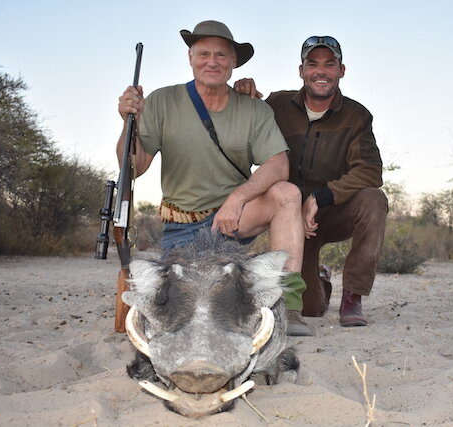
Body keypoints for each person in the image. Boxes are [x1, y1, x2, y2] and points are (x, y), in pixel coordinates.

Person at [116, 20, 312, 336]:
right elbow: (135, 166)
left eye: (221, 55)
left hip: (232, 219)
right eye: (203, 53)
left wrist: (236, 199)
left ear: (234, 62)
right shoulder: (162, 101)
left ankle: (288, 306)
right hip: (183, 225)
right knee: (188, 301)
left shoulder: (253, 108)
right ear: (190, 58)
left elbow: (278, 165)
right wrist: (129, 123)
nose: (212, 61)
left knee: (287, 193)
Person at [235, 36, 388, 326]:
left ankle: (353, 296)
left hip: (333, 211)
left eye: (330, 65)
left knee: (374, 200)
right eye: (312, 64)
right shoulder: (277, 104)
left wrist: (319, 198)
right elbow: (248, 128)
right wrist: (243, 94)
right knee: (309, 309)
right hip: (291, 220)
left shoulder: (357, 116)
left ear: (342, 71)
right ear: (301, 70)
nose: (321, 71)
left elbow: (370, 170)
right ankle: (321, 279)